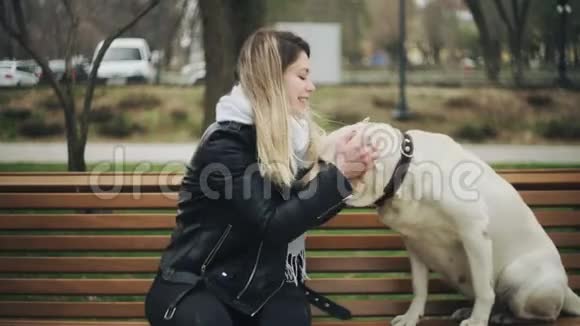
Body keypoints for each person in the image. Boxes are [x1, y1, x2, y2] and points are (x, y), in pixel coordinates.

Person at [145, 29, 376, 326]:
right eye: (302, 76)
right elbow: (272, 224)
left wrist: (344, 176)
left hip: (258, 286)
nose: (312, 87)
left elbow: (299, 215)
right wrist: (338, 177)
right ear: (272, 78)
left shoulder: (291, 141)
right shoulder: (226, 144)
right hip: (196, 283)